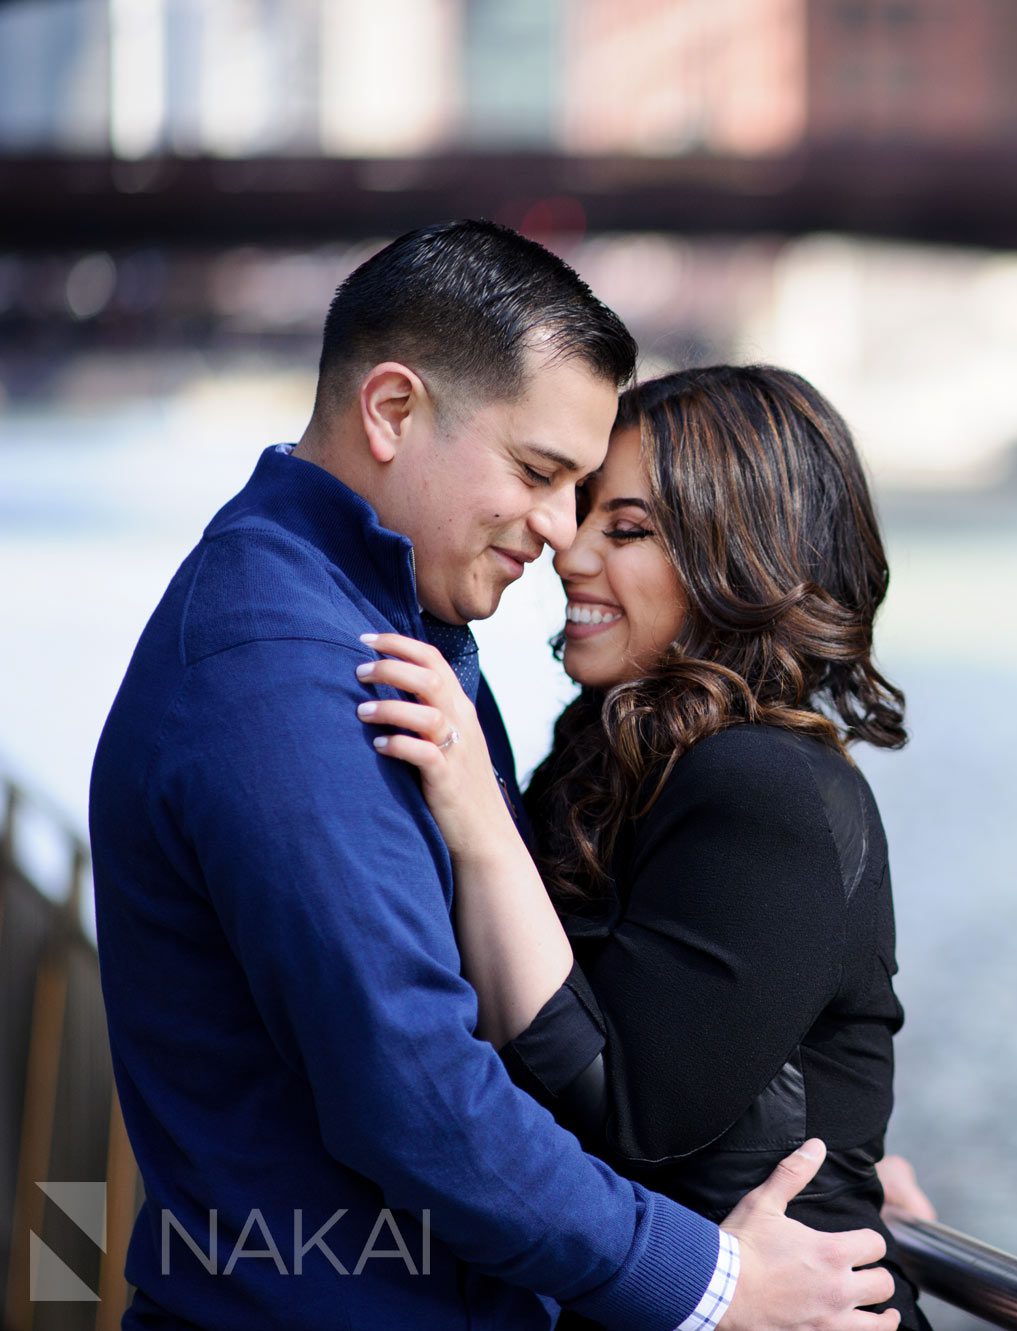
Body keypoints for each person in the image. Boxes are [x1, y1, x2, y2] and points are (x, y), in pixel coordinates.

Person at [90, 221, 901, 1331]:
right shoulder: (288, 675)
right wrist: (709, 1281)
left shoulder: (385, 624)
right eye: (538, 472)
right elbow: (421, 1093)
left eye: (596, 501)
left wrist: (837, 1157)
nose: (558, 534)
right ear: (391, 410)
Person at [352, 365, 929, 1330]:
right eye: (581, 511)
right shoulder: (602, 751)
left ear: (741, 558)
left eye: (626, 530)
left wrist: (477, 819)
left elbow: (625, 1113)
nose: (567, 550)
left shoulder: (767, 785)